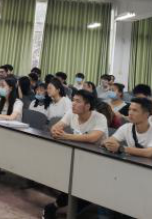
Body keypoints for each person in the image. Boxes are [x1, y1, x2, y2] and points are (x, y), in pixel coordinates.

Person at [44, 90, 108, 219]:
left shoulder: (99, 118)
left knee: (85, 188)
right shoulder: (71, 113)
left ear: (87, 106)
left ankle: (59, 207)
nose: (73, 103)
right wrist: (55, 132)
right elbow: (55, 127)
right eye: (73, 100)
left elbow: (92, 138)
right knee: (72, 183)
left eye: (78, 101)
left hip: (100, 162)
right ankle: (59, 207)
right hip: (79, 158)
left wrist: (66, 136)